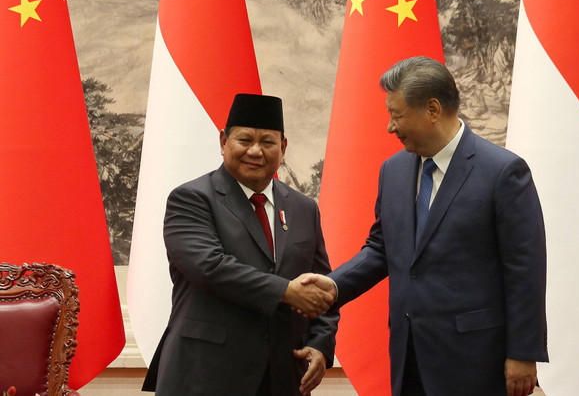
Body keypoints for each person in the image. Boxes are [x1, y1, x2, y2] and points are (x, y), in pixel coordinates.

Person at [303, 56, 548, 396]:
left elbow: (525, 269)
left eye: (396, 114)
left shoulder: (503, 173)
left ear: (432, 109)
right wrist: (332, 286)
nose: (390, 126)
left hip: (477, 358)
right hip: (410, 354)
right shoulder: (393, 170)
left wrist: (523, 352)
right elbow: (381, 248)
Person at [142, 93, 339, 396]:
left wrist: (320, 345)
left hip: (283, 377)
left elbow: (322, 286)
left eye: (268, 142)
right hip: (206, 375)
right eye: (245, 140)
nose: (256, 151)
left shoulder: (303, 208)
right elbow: (209, 267)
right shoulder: (192, 198)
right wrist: (287, 292)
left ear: (283, 147)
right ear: (224, 141)